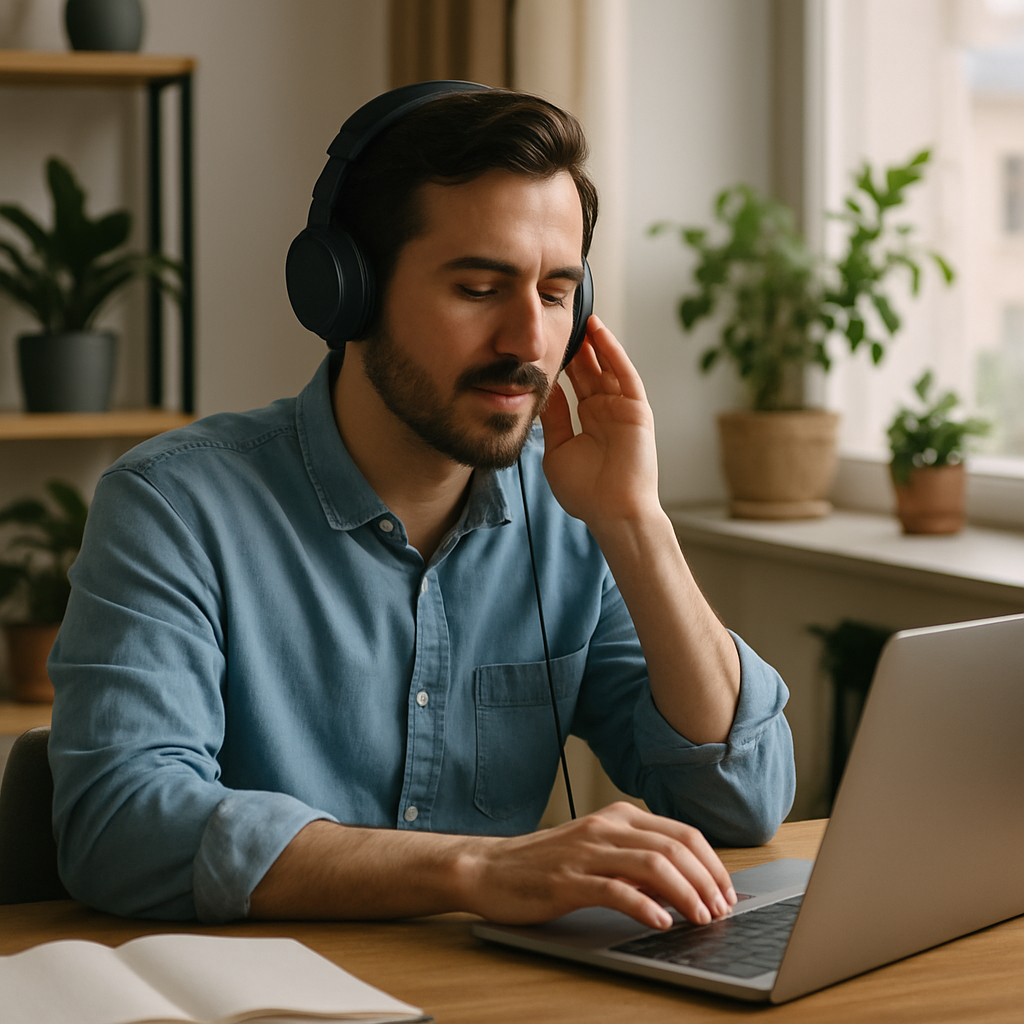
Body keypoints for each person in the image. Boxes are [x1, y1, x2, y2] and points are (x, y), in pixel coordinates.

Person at [48, 85, 795, 930]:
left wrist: (636, 524)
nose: (528, 343)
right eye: (480, 288)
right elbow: (118, 824)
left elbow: (743, 799)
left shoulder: (575, 514)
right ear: (346, 292)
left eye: (556, 294)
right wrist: (477, 868)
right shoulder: (174, 507)